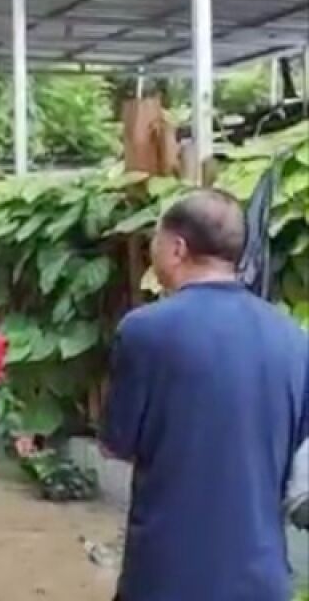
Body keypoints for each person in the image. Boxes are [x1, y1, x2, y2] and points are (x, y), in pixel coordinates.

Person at [101, 188, 309, 601]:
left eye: (154, 241)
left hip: (168, 576)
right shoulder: (295, 340)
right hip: (261, 579)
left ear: (177, 248)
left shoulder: (145, 331)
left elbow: (116, 444)